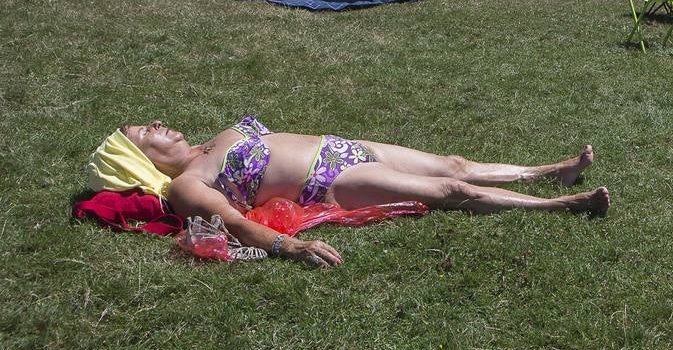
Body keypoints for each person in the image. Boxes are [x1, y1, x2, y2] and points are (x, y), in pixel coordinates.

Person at [86, 120, 609, 266]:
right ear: (141, 159)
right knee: (450, 188)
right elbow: (234, 222)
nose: (157, 125)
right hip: (332, 182)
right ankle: (562, 204)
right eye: (144, 133)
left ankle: (552, 171)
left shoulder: (211, 141)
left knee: (455, 162)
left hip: (343, 147)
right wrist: (289, 246)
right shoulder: (186, 185)